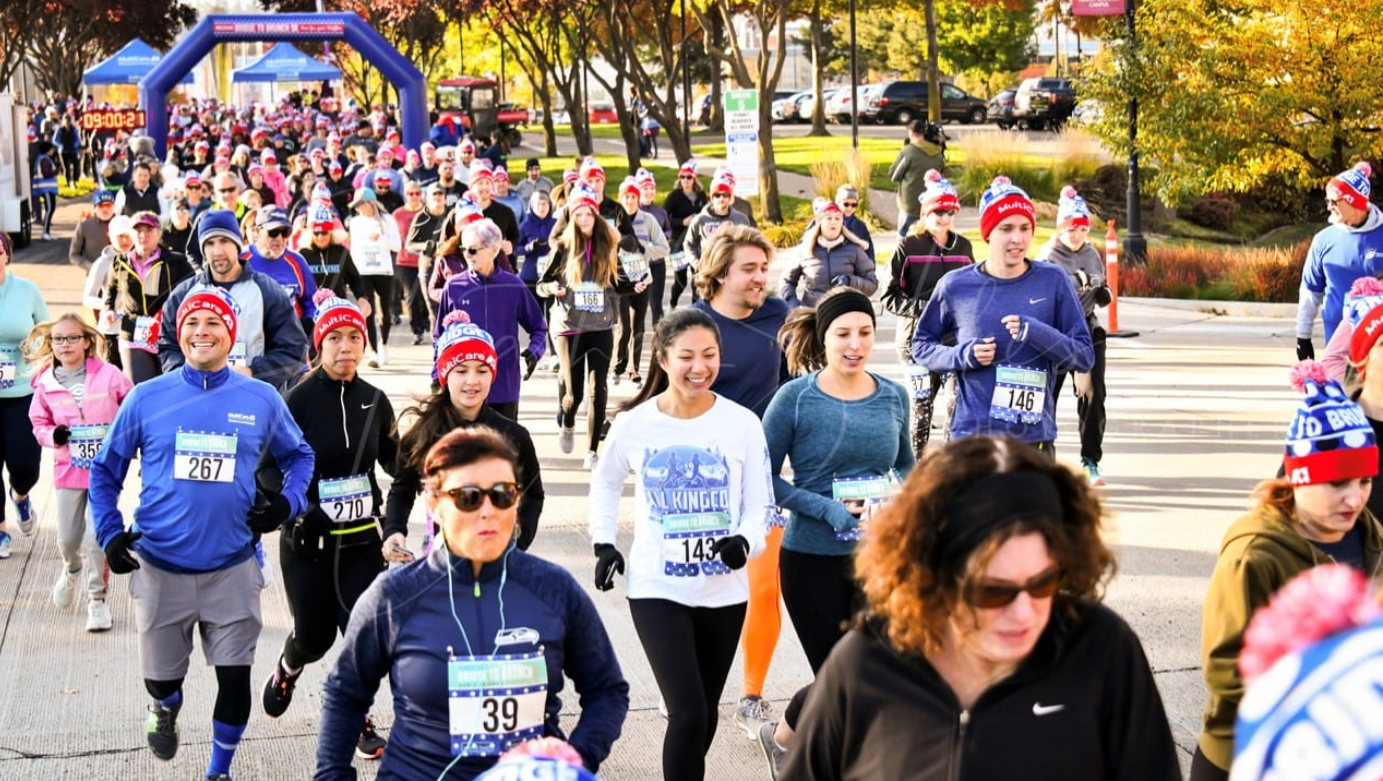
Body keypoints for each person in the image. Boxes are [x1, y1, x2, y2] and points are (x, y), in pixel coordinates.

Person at [779, 435, 1179, 781]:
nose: (1024, 613)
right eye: (993, 591)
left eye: (1043, 584)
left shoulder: (1102, 650)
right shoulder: (867, 664)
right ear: (932, 577)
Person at [89, 284, 314, 780]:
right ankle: (164, 707)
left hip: (232, 568)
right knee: (161, 681)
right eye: (192, 322)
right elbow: (105, 472)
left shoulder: (259, 399)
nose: (201, 331)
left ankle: (219, 770)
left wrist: (286, 503)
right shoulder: (148, 398)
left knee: (235, 683)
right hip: (161, 566)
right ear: (180, 332)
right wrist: (109, 533)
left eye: (213, 322)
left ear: (230, 334)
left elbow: (300, 456)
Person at [316, 425, 626, 779]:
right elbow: (345, 695)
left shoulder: (555, 589)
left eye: (502, 495)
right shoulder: (394, 596)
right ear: (434, 504)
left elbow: (606, 690)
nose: (488, 510)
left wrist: (575, 759)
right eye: (467, 497)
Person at [589, 308, 772, 781]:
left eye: (709, 355)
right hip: (657, 588)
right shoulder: (635, 424)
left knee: (705, 715)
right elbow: (605, 483)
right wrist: (604, 542)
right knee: (687, 713)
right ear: (663, 358)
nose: (699, 367)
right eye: (687, 356)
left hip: (724, 590)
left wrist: (744, 542)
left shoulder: (742, 424)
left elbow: (760, 504)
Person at [1194, 362, 1383, 781]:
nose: (1355, 500)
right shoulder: (1254, 555)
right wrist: (1323, 702)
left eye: (1365, 481)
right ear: (1299, 478)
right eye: (1338, 484)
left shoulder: (1375, 541)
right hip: (1247, 757)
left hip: (1344, 754)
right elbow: (1225, 668)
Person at [758, 288, 914, 768]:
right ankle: (802, 748)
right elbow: (763, 478)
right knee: (840, 675)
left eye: (865, 332)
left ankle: (784, 737)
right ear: (823, 339)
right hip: (812, 559)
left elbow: (907, 465)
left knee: (879, 667)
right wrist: (825, 509)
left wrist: (900, 501)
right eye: (843, 333)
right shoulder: (795, 398)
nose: (855, 343)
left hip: (877, 557)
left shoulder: (893, 395)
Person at [259, 291, 397, 760]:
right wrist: (301, 507)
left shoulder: (375, 400)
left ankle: (355, 716)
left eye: (354, 337)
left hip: (360, 541)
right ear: (319, 344)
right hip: (308, 542)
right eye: (334, 337)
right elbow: (268, 469)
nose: (345, 347)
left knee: (362, 635)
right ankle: (287, 666)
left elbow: (398, 461)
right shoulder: (296, 400)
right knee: (314, 638)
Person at [689, 226, 791, 736]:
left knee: (762, 587)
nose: (760, 278)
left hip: (762, 476)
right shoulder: (692, 323)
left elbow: (799, 381)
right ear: (720, 272)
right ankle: (689, 690)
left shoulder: (779, 315)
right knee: (697, 588)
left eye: (763, 268)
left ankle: (751, 696)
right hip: (701, 479)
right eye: (749, 269)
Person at [912, 176, 1094, 453]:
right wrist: (963, 356)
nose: (1017, 239)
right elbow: (921, 346)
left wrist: (1037, 332)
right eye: (1006, 228)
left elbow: (1083, 355)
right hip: (973, 439)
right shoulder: (956, 285)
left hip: (1034, 441)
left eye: (1024, 228)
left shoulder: (1053, 280)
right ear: (988, 233)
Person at [386, 312, 547, 554]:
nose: (472, 381)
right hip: (440, 566)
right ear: (445, 375)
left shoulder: (514, 435)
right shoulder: (424, 433)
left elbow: (533, 496)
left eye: (482, 371)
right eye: (461, 371)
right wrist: (394, 531)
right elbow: (402, 490)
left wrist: (516, 545)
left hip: (498, 563)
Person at [26, 313, 132, 630]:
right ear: (51, 344)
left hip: (104, 471)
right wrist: (52, 436)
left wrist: (125, 440)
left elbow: (131, 407)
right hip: (68, 470)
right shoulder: (45, 384)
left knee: (96, 538)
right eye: (59, 339)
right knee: (68, 540)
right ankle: (71, 569)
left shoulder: (110, 375)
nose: (65, 344)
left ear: (87, 341)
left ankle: (96, 601)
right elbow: (38, 423)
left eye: (73, 337)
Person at [537, 185, 646, 469]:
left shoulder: (607, 246)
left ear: (596, 217)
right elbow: (541, 285)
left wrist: (636, 286)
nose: (584, 219)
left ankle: (592, 451)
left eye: (588, 214)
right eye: (579, 214)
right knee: (574, 395)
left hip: (600, 325)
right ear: (572, 217)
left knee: (598, 389)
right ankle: (569, 422)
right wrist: (552, 288)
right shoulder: (562, 247)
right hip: (569, 327)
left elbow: (617, 284)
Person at [159, 210, 309, 390]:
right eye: (210, 243)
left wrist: (254, 372)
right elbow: (167, 345)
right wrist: (185, 377)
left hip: (251, 394)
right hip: (197, 394)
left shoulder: (267, 291)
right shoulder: (184, 293)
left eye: (224, 241)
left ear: (237, 244)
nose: (218, 251)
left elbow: (293, 349)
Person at [881, 170, 974, 457]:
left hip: (952, 341)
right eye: (938, 211)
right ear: (925, 213)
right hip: (915, 341)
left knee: (956, 404)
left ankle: (948, 468)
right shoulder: (907, 247)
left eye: (950, 211)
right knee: (922, 407)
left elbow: (973, 289)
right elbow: (888, 296)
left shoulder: (964, 246)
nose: (945, 217)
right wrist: (923, 309)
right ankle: (915, 470)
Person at [1036, 186, 1114, 485]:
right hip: (1055, 333)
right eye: (1071, 227)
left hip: (1086, 331)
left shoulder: (1092, 253)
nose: (1077, 233)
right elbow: (1042, 295)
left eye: (1082, 227)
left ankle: (1090, 460)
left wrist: (1102, 293)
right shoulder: (1048, 256)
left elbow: (1098, 286)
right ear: (1061, 227)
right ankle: (1043, 463)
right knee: (1046, 399)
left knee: (1093, 395)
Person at [434, 218, 547, 420]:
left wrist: (534, 351)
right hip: (464, 388)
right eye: (464, 249)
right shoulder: (453, 287)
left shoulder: (514, 286)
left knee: (504, 449)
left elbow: (539, 327)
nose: (467, 255)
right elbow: (439, 337)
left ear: (494, 250)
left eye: (473, 250)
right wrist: (436, 374)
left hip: (504, 385)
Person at [1296, 162, 1383, 359]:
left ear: (1354, 201)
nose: (1329, 206)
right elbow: (1310, 292)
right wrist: (1303, 337)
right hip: (1337, 350)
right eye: (1327, 201)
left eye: (1334, 201)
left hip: (1378, 347)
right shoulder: (1323, 240)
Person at [0, 233, 51, 552]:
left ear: (6, 254)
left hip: (21, 390)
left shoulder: (26, 290)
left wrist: (32, 350)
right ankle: (1, 530)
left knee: (25, 466)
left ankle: (20, 497)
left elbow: (45, 331)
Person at [102, 211, 194, 384]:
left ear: (159, 233)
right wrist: (108, 309)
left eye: (149, 230)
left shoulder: (176, 261)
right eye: (138, 230)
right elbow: (111, 289)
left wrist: (172, 309)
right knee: (140, 388)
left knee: (168, 388)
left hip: (166, 333)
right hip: (133, 333)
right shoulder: (120, 262)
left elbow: (192, 287)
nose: (143, 235)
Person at [613, 176, 669, 385]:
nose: (629, 200)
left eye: (633, 196)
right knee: (623, 327)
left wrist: (644, 250)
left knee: (638, 327)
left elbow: (664, 248)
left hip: (642, 280)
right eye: (626, 196)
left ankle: (634, 369)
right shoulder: (613, 220)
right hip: (620, 282)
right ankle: (619, 364)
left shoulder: (648, 220)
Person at [779, 198, 878, 308]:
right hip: (813, 316)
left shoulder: (855, 250)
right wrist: (793, 303)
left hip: (845, 314)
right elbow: (786, 281)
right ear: (820, 222)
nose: (833, 222)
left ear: (842, 223)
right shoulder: (804, 249)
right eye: (829, 218)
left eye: (837, 218)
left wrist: (850, 281)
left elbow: (872, 285)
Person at [244, 205, 319, 340]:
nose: (279, 238)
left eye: (285, 232)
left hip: (287, 342)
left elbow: (312, 302)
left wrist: (303, 328)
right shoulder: (241, 259)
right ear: (257, 231)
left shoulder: (297, 261)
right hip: (248, 340)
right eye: (273, 232)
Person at [347, 187, 401, 367]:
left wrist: (381, 239)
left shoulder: (387, 220)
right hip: (363, 270)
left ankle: (384, 344)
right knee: (367, 310)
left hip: (384, 269)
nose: (358, 208)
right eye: (356, 205)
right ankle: (373, 352)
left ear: (370, 203)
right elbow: (353, 247)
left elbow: (397, 246)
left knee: (385, 312)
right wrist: (352, 272)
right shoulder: (355, 222)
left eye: (361, 204)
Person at [684, 170, 753, 304]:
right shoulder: (700, 220)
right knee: (703, 311)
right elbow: (689, 244)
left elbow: (748, 244)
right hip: (707, 273)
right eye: (717, 195)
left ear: (729, 197)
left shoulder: (740, 219)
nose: (721, 198)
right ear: (712, 197)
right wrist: (697, 264)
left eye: (725, 195)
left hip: (732, 272)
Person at [888, 119, 947, 237]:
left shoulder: (908, 151)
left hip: (910, 203)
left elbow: (893, 175)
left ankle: (901, 256)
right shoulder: (938, 153)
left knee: (903, 235)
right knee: (927, 236)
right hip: (930, 203)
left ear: (911, 132)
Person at [392, 179, 431, 344]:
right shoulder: (398, 214)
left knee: (427, 295)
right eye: (410, 194)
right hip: (405, 261)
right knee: (411, 296)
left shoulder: (428, 212)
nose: (414, 196)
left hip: (426, 259)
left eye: (417, 193)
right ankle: (417, 330)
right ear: (405, 195)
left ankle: (427, 318)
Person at [666, 161, 708, 310]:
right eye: (682, 177)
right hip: (678, 242)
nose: (685, 180)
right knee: (681, 279)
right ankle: (672, 304)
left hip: (696, 243)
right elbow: (665, 218)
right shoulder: (674, 196)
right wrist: (682, 221)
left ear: (694, 178)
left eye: (689, 177)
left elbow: (708, 215)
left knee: (697, 277)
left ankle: (695, 309)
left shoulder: (701, 196)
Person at [638, 171, 674, 325]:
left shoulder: (660, 212)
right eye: (645, 188)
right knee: (638, 306)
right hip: (637, 265)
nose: (649, 192)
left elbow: (669, 230)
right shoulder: (632, 212)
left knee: (656, 304)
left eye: (651, 188)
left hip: (657, 264)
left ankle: (658, 340)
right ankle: (633, 338)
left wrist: (660, 239)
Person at [69, 189, 117, 270]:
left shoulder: (123, 223)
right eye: (101, 206)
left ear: (113, 207)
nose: (105, 209)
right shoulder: (84, 226)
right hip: (95, 275)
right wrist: (91, 267)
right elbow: (74, 255)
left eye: (108, 205)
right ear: (95, 208)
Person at [834, 184, 874, 261]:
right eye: (846, 204)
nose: (850, 208)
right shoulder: (829, 223)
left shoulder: (860, 226)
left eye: (854, 205)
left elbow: (869, 252)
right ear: (837, 202)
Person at [33, 141, 59, 240]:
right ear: (48, 149)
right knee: (49, 209)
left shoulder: (45, 159)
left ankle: (47, 232)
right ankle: (45, 232)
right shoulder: (44, 160)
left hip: (48, 188)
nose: (53, 150)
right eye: (52, 148)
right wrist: (56, 171)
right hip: (45, 188)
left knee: (51, 208)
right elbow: (46, 173)